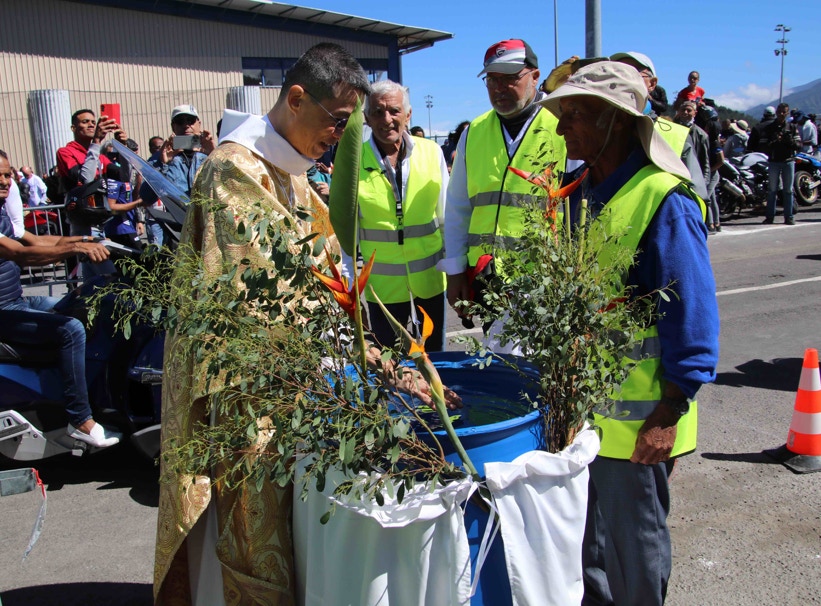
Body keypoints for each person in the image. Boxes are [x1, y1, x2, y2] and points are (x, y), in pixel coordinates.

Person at [154, 43, 377, 605]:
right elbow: (263, 289)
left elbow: (324, 256)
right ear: (297, 99)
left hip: (294, 375)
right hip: (247, 385)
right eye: (337, 121)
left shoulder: (290, 169)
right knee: (257, 528)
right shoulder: (235, 169)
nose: (339, 136)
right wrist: (338, 337)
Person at [541, 61, 719, 605]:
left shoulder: (664, 199)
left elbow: (692, 317)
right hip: (584, 422)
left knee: (635, 556)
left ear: (616, 120)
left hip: (640, 428)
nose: (560, 128)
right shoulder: (581, 194)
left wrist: (670, 412)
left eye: (574, 114)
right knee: (589, 554)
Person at [441, 39, 566, 326]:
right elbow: (458, 208)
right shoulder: (474, 132)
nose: (499, 88)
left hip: (546, 280)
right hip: (489, 280)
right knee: (497, 351)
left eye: (510, 78)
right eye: (492, 80)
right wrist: (456, 271)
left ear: (535, 76)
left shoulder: (561, 125)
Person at [0, 152, 119, 448]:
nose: (5, 181)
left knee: (86, 303)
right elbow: (21, 254)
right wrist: (76, 249)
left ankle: (94, 395)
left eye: (7, 174)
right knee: (70, 329)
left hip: (15, 300)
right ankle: (80, 420)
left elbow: (36, 240)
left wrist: (89, 240)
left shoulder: (2, 213)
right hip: (3, 311)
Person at [346, 80, 449, 351]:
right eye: (378, 112)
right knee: (391, 364)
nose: (386, 119)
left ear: (408, 114)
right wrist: (350, 290)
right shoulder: (354, 160)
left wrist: (456, 270)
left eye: (394, 111)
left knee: (435, 359)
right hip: (383, 289)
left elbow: (447, 217)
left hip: (430, 280)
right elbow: (346, 236)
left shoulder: (432, 152)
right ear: (367, 118)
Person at [611, 52, 709, 201]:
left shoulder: (676, 136)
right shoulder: (597, 130)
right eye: (616, 74)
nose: (623, 80)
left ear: (652, 84)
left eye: (633, 74)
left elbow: (698, 196)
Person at [56, 108, 124, 278]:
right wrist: (96, 142)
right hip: (83, 223)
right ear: (73, 128)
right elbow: (85, 180)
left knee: (93, 278)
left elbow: (123, 175)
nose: (91, 125)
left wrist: (122, 148)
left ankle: (85, 294)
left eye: (93, 122)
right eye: (85, 122)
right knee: (108, 277)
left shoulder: (98, 155)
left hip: (99, 222)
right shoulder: (66, 152)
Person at [757, 103, 801, 225]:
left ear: (787, 113)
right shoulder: (770, 128)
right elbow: (762, 145)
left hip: (788, 161)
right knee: (772, 190)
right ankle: (770, 216)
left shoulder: (792, 127)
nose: (781, 114)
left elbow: (799, 145)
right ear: (776, 112)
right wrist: (773, 142)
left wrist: (789, 140)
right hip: (774, 161)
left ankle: (789, 216)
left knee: (788, 190)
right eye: (780, 111)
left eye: (784, 112)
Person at [103, 163, 144, 248]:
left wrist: (139, 183)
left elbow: (131, 199)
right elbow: (110, 207)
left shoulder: (125, 177)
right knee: (141, 253)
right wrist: (138, 203)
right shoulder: (114, 178)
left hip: (130, 224)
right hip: (120, 227)